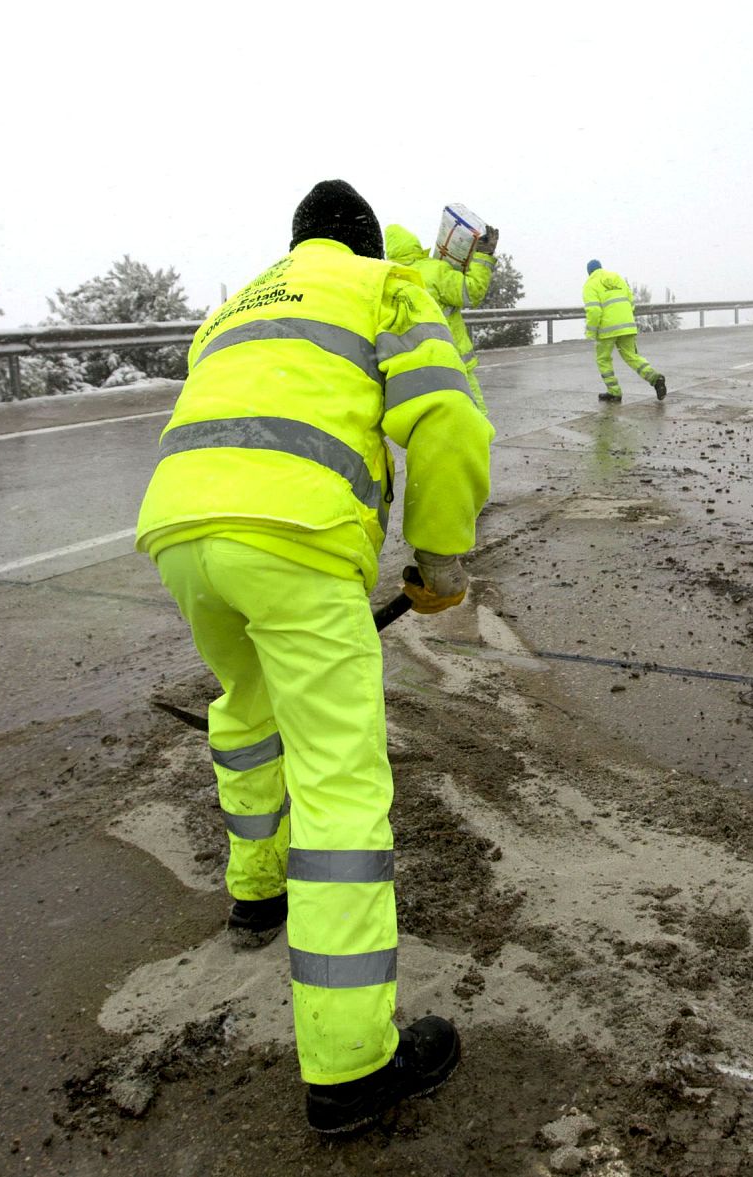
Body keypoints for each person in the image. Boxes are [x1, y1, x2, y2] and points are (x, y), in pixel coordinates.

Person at [134, 179, 494, 1135]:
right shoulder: (384, 287)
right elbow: (449, 420)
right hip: (295, 538)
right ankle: (350, 1064)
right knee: (339, 783)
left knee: (246, 708)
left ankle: (257, 893)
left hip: (179, 532)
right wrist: (440, 561)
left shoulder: (239, 303)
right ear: (370, 244)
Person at [383, 219, 498, 413]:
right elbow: (472, 292)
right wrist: (483, 256)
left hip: (416, 368)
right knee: (475, 417)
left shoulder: (387, 281)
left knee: (431, 419)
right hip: (453, 360)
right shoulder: (434, 270)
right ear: (415, 244)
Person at [582, 259, 666, 403]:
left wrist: (591, 332)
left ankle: (614, 392)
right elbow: (631, 302)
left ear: (589, 272)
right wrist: (623, 319)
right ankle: (655, 378)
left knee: (604, 359)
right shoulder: (618, 278)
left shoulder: (590, 284)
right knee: (631, 356)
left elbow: (594, 311)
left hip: (606, 329)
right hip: (627, 325)